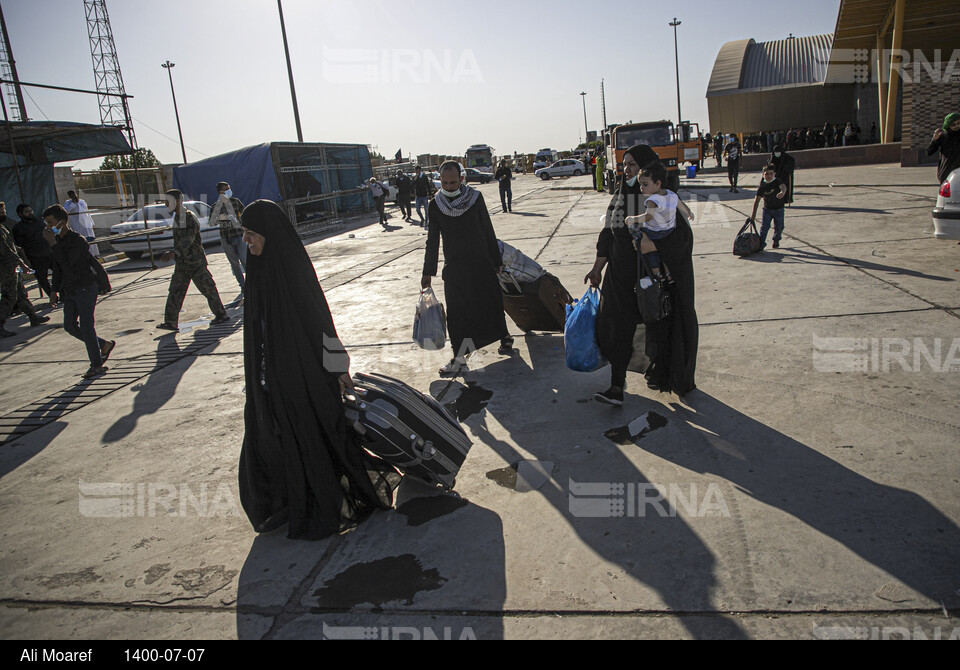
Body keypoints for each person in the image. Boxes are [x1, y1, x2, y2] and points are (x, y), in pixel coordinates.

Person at [237, 199, 401, 540]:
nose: (246, 241)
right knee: (269, 438)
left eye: (251, 234)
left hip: (303, 373)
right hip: (269, 377)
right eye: (244, 234)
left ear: (268, 232)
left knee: (313, 435)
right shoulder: (256, 268)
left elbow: (320, 320)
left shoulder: (292, 267)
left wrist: (338, 366)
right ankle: (282, 505)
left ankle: (321, 504)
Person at [583, 144, 698, 405]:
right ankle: (616, 386)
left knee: (657, 331)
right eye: (624, 164)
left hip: (647, 282)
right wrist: (597, 268)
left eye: (633, 165)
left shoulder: (659, 197)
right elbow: (608, 234)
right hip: (619, 279)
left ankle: (662, 374)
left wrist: (653, 245)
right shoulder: (621, 196)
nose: (627, 170)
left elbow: (682, 236)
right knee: (615, 328)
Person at [421, 161, 512, 375]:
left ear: (461, 179)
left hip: (481, 263)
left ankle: (504, 337)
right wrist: (427, 272)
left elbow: (487, 229)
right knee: (457, 314)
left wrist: (496, 259)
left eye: (453, 182)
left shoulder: (475, 198)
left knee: (490, 303)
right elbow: (432, 240)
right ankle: (459, 358)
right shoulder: (436, 205)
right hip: (455, 268)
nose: (449, 186)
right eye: (444, 182)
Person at [41, 205, 111, 377]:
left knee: (87, 327)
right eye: (46, 223)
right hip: (71, 289)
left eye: (50, 223)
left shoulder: (77, 240)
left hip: (86, 287)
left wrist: (52, 243)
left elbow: (68, 263)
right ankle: (103, 345)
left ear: (62, 222)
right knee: (70, 326)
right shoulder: (58, 241)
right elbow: (58, 268)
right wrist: (53, 290)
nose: (48, 227)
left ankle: (96, 365)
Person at [156, 189, 229, 331]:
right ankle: (171, 322)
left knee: (208, 289)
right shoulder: (178, 217)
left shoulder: (188, 217)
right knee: (175, 291)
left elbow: (188, 239)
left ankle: (221, 314)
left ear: (177, 201)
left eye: (168, 201)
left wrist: (173, 251)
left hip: (195, 262)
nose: (165, 204)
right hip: (183, 263)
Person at [624, 161, 694, 279]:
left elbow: (648, 216)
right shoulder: (672, 194)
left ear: (657, 183)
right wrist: (689, 213)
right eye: (640, 184)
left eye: (645, 185)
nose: (641, 188)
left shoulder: (652, 200)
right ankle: (668, 271)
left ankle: (656, 272)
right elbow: (681, 205)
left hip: (654, 231)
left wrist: (632, 219)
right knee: (665, 253)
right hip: (669, 230)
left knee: (650, 250)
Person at [1, 204, 49, 338]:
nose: (4, 214)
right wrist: (22, 262)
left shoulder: (2, 227)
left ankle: (32, 316)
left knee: (20, 293)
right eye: (1, 212)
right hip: (5, 268)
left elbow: (10, 246)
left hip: (10, 266)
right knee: (9, 297)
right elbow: (6, 251)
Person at [13, 203, 56, 302]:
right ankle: (52, 297)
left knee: (60, 272)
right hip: (35, 257)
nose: (30, 213)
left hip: (49, 252)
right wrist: (26, 261)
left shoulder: (40, 222)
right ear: (20, 214)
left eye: (30, 211)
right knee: (42, 279)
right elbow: (20, 247)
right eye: (27, 212)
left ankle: (63, 293)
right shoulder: (19, 228)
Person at [209, 181, 246, 294]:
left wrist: (240, 221)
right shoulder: (216, 206)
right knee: (234, 264)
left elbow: (245, 214)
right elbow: (212, 222)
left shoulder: (235, 202)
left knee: (245, 261)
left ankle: (252, 283)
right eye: (227, 189)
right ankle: (243, 286)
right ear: (221, 192)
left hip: (239, 236)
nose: (229, 190)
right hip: (227, 239)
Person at [749, 164, 788, 250]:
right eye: (767, 174)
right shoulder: (762, 186)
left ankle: (776, 239)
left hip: (779, 209)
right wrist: (753, 216)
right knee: (764, 227)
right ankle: (761, 244)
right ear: (763, 175)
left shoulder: (777, 181)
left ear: (774, 174)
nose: (769, 176)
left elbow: (783, 187)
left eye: (771, 173)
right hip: (767, 210)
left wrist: (782, 193)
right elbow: (757, 201)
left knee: (779, 227)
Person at [63, 190, 100, 257]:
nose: (74, 196)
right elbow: (66, 211)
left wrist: (92, 223)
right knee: (82, 240)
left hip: (87, 224)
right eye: (71, 195)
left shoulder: (82, 202)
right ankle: (86, 255)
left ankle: (94, 255)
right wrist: (73, 203)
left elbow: (87, 213)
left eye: (74, 194)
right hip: (78, 226)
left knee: (91, 239)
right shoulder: (68, 203)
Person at [928, 112, 960, 186]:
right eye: (953, 125)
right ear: (948, 125)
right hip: (947, 172)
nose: (956, 126)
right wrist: (934, 141)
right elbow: (929, 152)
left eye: (958, 123)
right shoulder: (943, 137)